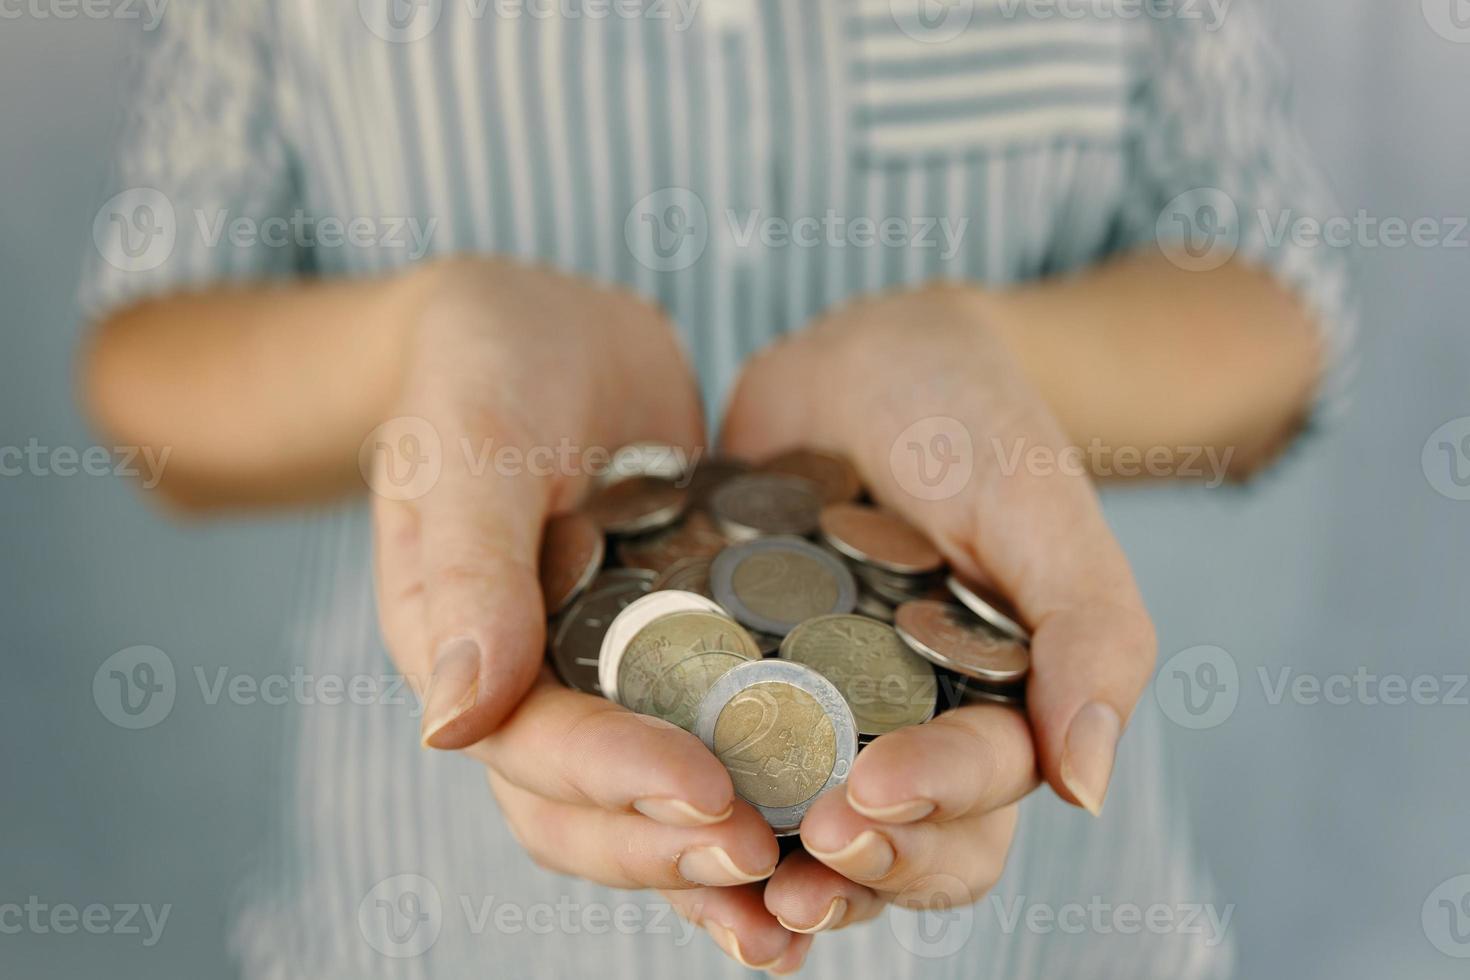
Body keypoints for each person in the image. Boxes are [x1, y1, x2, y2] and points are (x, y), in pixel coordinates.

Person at [80, 1, 1351, 976]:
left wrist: (1005, 358)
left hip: (1044, 918)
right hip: (435, 905)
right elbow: (153, 350)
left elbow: (1273, 280)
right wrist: (429, 341)